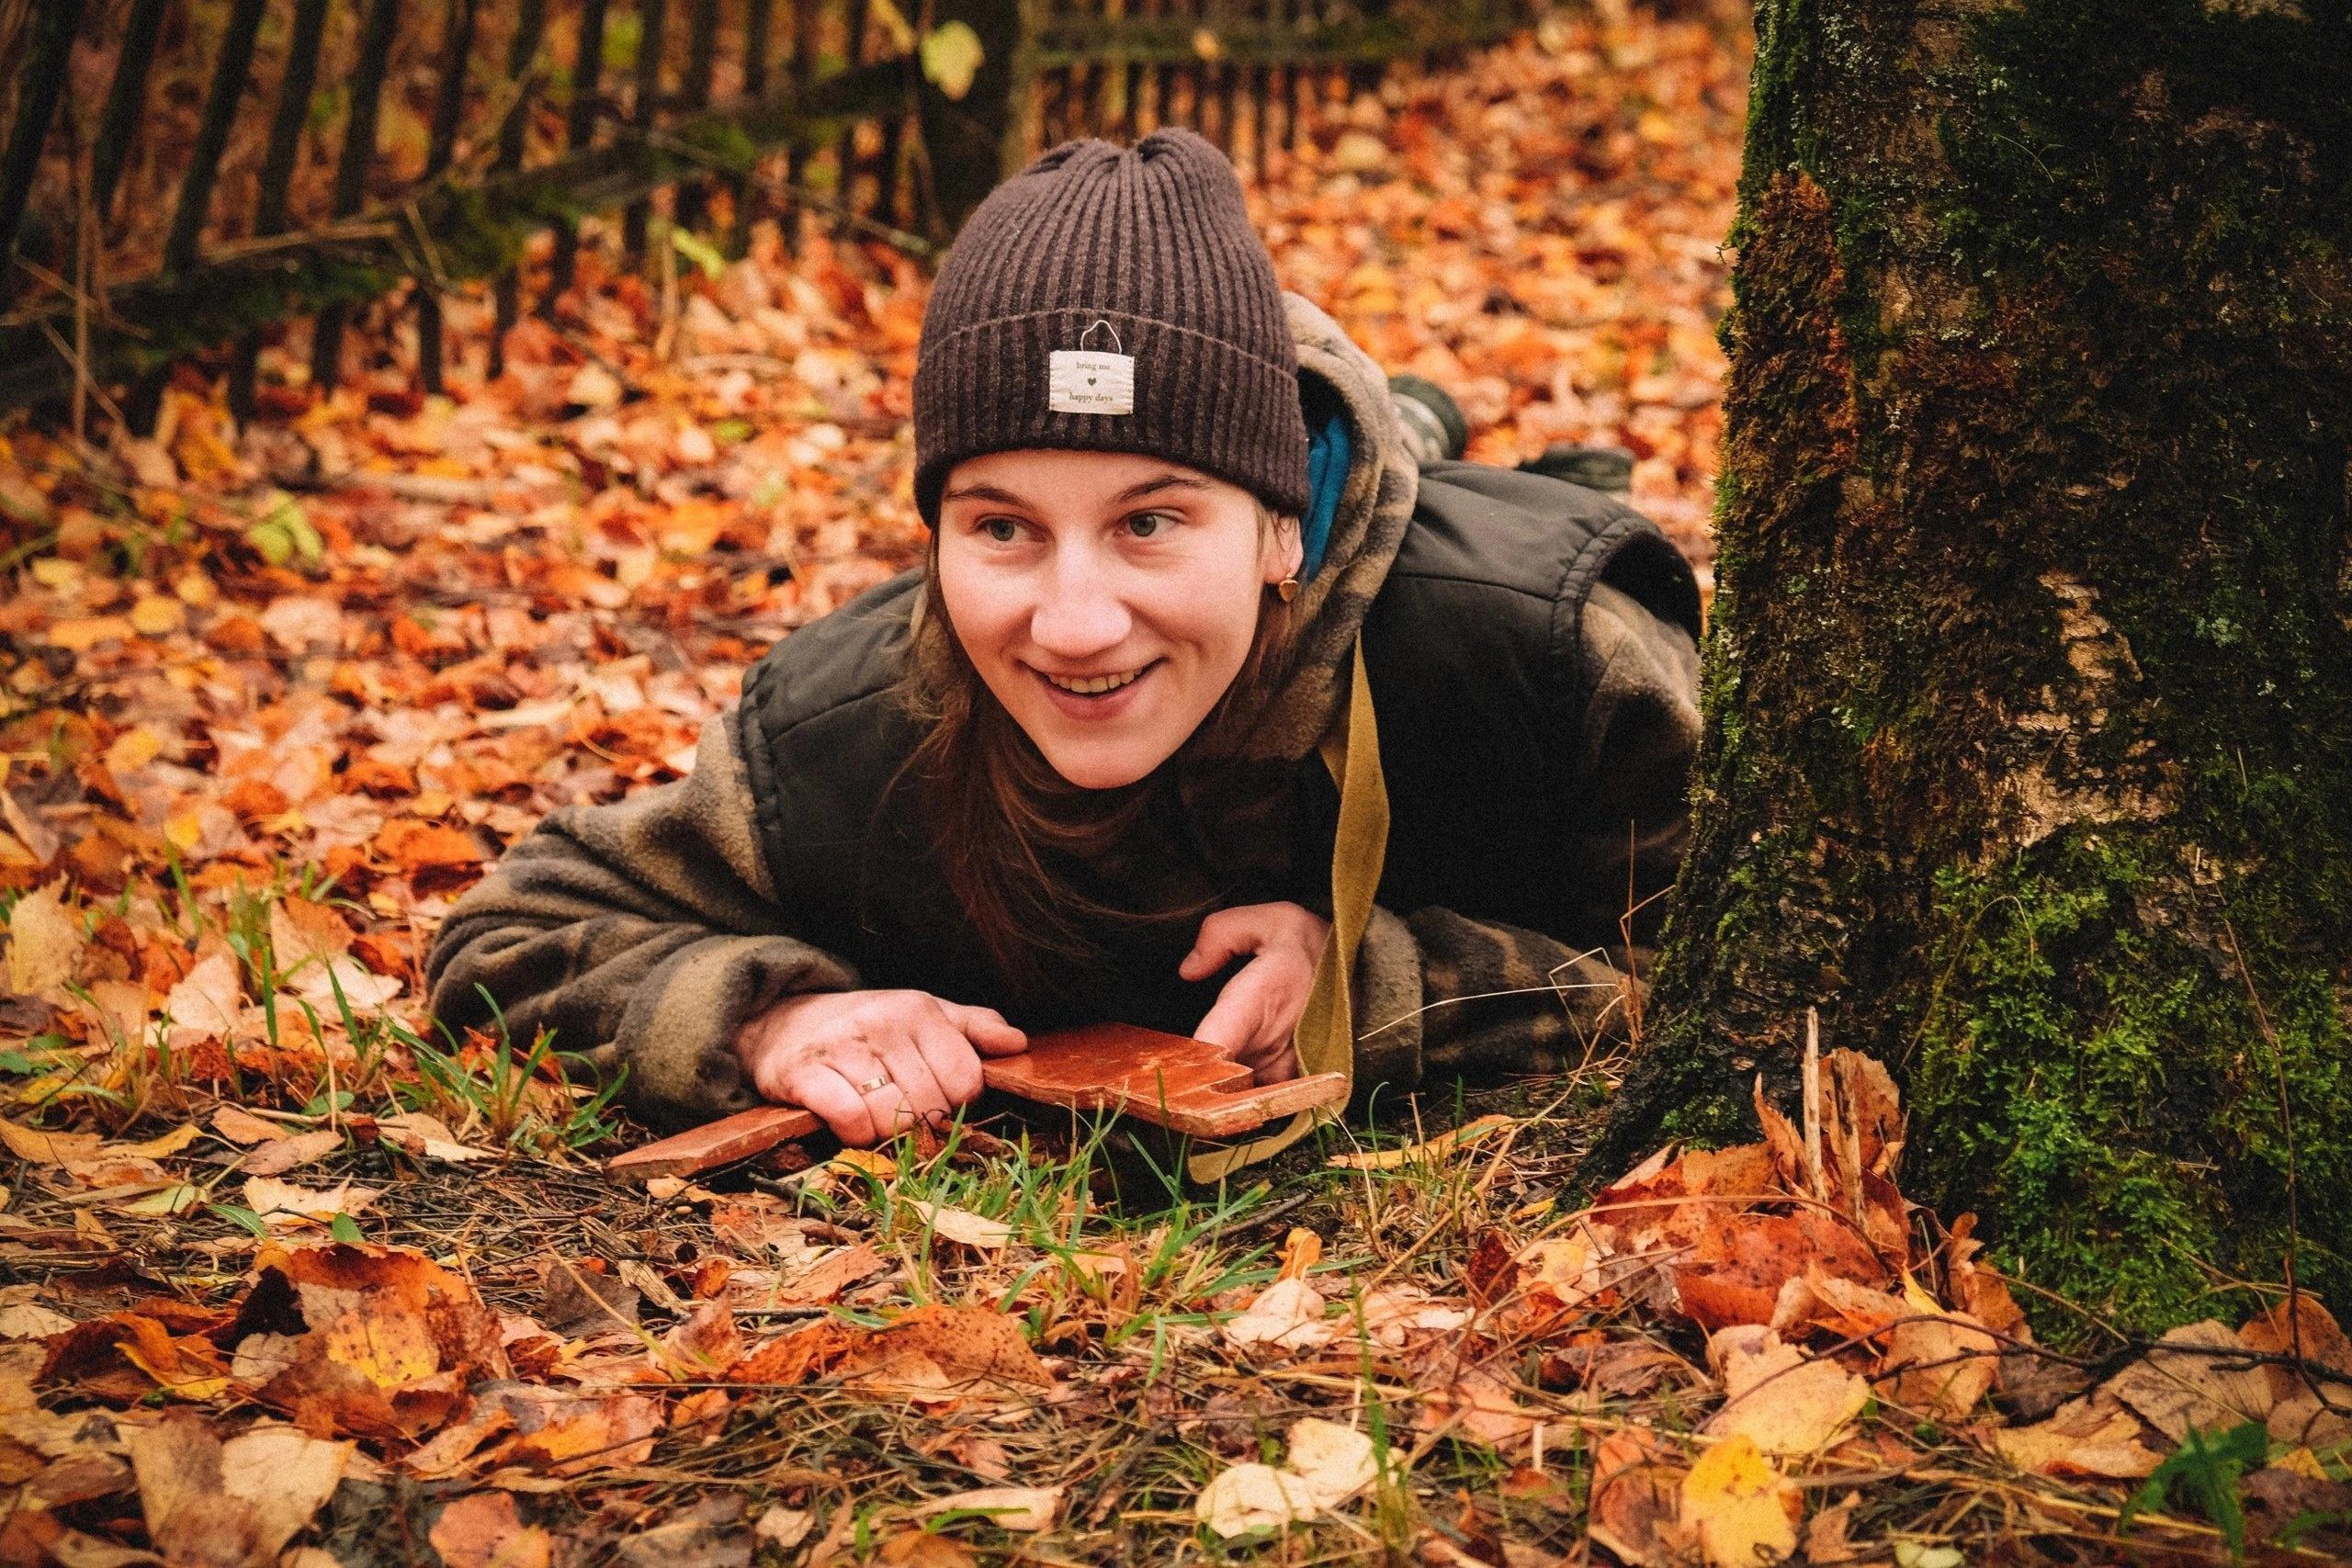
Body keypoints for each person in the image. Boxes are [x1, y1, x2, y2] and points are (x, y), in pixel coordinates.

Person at [426, 130, 1702, 1158]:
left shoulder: (1547, 651)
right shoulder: (840, 732)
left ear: (1277, 532)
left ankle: (1414, 427)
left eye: (1150, 520)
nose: (1076, 624)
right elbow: (511, 937)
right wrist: (771, 1016)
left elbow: (1717, 963)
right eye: (1001, 528)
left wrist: (1377, 987)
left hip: (1419, 556)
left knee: (1416, 457)